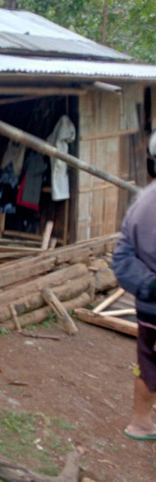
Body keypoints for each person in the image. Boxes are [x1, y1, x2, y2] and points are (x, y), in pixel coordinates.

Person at [113, 130, 156, 440]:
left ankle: (140, 423)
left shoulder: (142, 203)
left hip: (149, 307)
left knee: (148, 362)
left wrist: (148, 285)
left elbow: (122, 259)